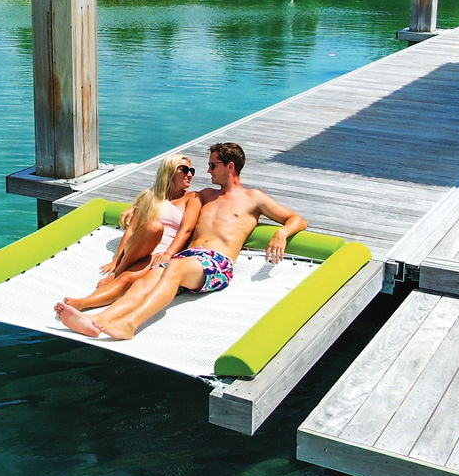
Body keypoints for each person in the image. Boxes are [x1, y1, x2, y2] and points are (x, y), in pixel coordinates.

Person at [55, 141, 306, 340]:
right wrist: (135, 208)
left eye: (212, 165)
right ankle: (98, 321)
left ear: (230, 167)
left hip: (217, 264)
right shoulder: (205, 195)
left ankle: (130, 325)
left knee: (173, 267)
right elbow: (166, 199)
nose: (207, 171)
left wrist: (281, 233)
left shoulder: (254, 198)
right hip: (187, 260)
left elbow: (296, 218)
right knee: (143, 282)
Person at [63, 155, 201, 314]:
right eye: (184, 169)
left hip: (159, 254)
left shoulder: (192, 198)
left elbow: (186, 230)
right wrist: (116, 261)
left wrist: (168, 253)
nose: (189, 174)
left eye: (192, 170)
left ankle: (82, 304)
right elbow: (132, 230)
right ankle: (118, 272)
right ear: (169, 170)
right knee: (154, 227)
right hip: (140, 246)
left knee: (127, 279)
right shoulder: (150, 196)